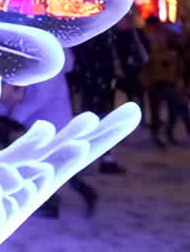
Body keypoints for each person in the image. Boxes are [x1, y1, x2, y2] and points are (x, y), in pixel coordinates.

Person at [10, 56, 98, 219]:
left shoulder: (50, 74)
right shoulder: (47, 71)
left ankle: (55, 202)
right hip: (50, 124)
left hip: (53, 127)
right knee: (54, 166)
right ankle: (56, 200)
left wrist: (17, 115)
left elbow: (38, 99)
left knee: (49, 166)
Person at [72, 28, 125, 173]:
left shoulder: (93, 35)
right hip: (97, 85)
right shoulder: (101, 37)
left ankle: (95, 157)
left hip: (96, 84)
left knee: (94, 120)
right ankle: (102, 158)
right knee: (97, 120)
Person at [141, 16, 190, 147]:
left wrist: (180, 79)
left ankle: (168, 132)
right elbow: (145, 66)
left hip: (170, 81)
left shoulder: (171, 43)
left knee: (173, 109)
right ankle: (158, 134)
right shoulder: (147, 45)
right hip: (155, 82)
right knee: (157, 110)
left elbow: (181, 62)